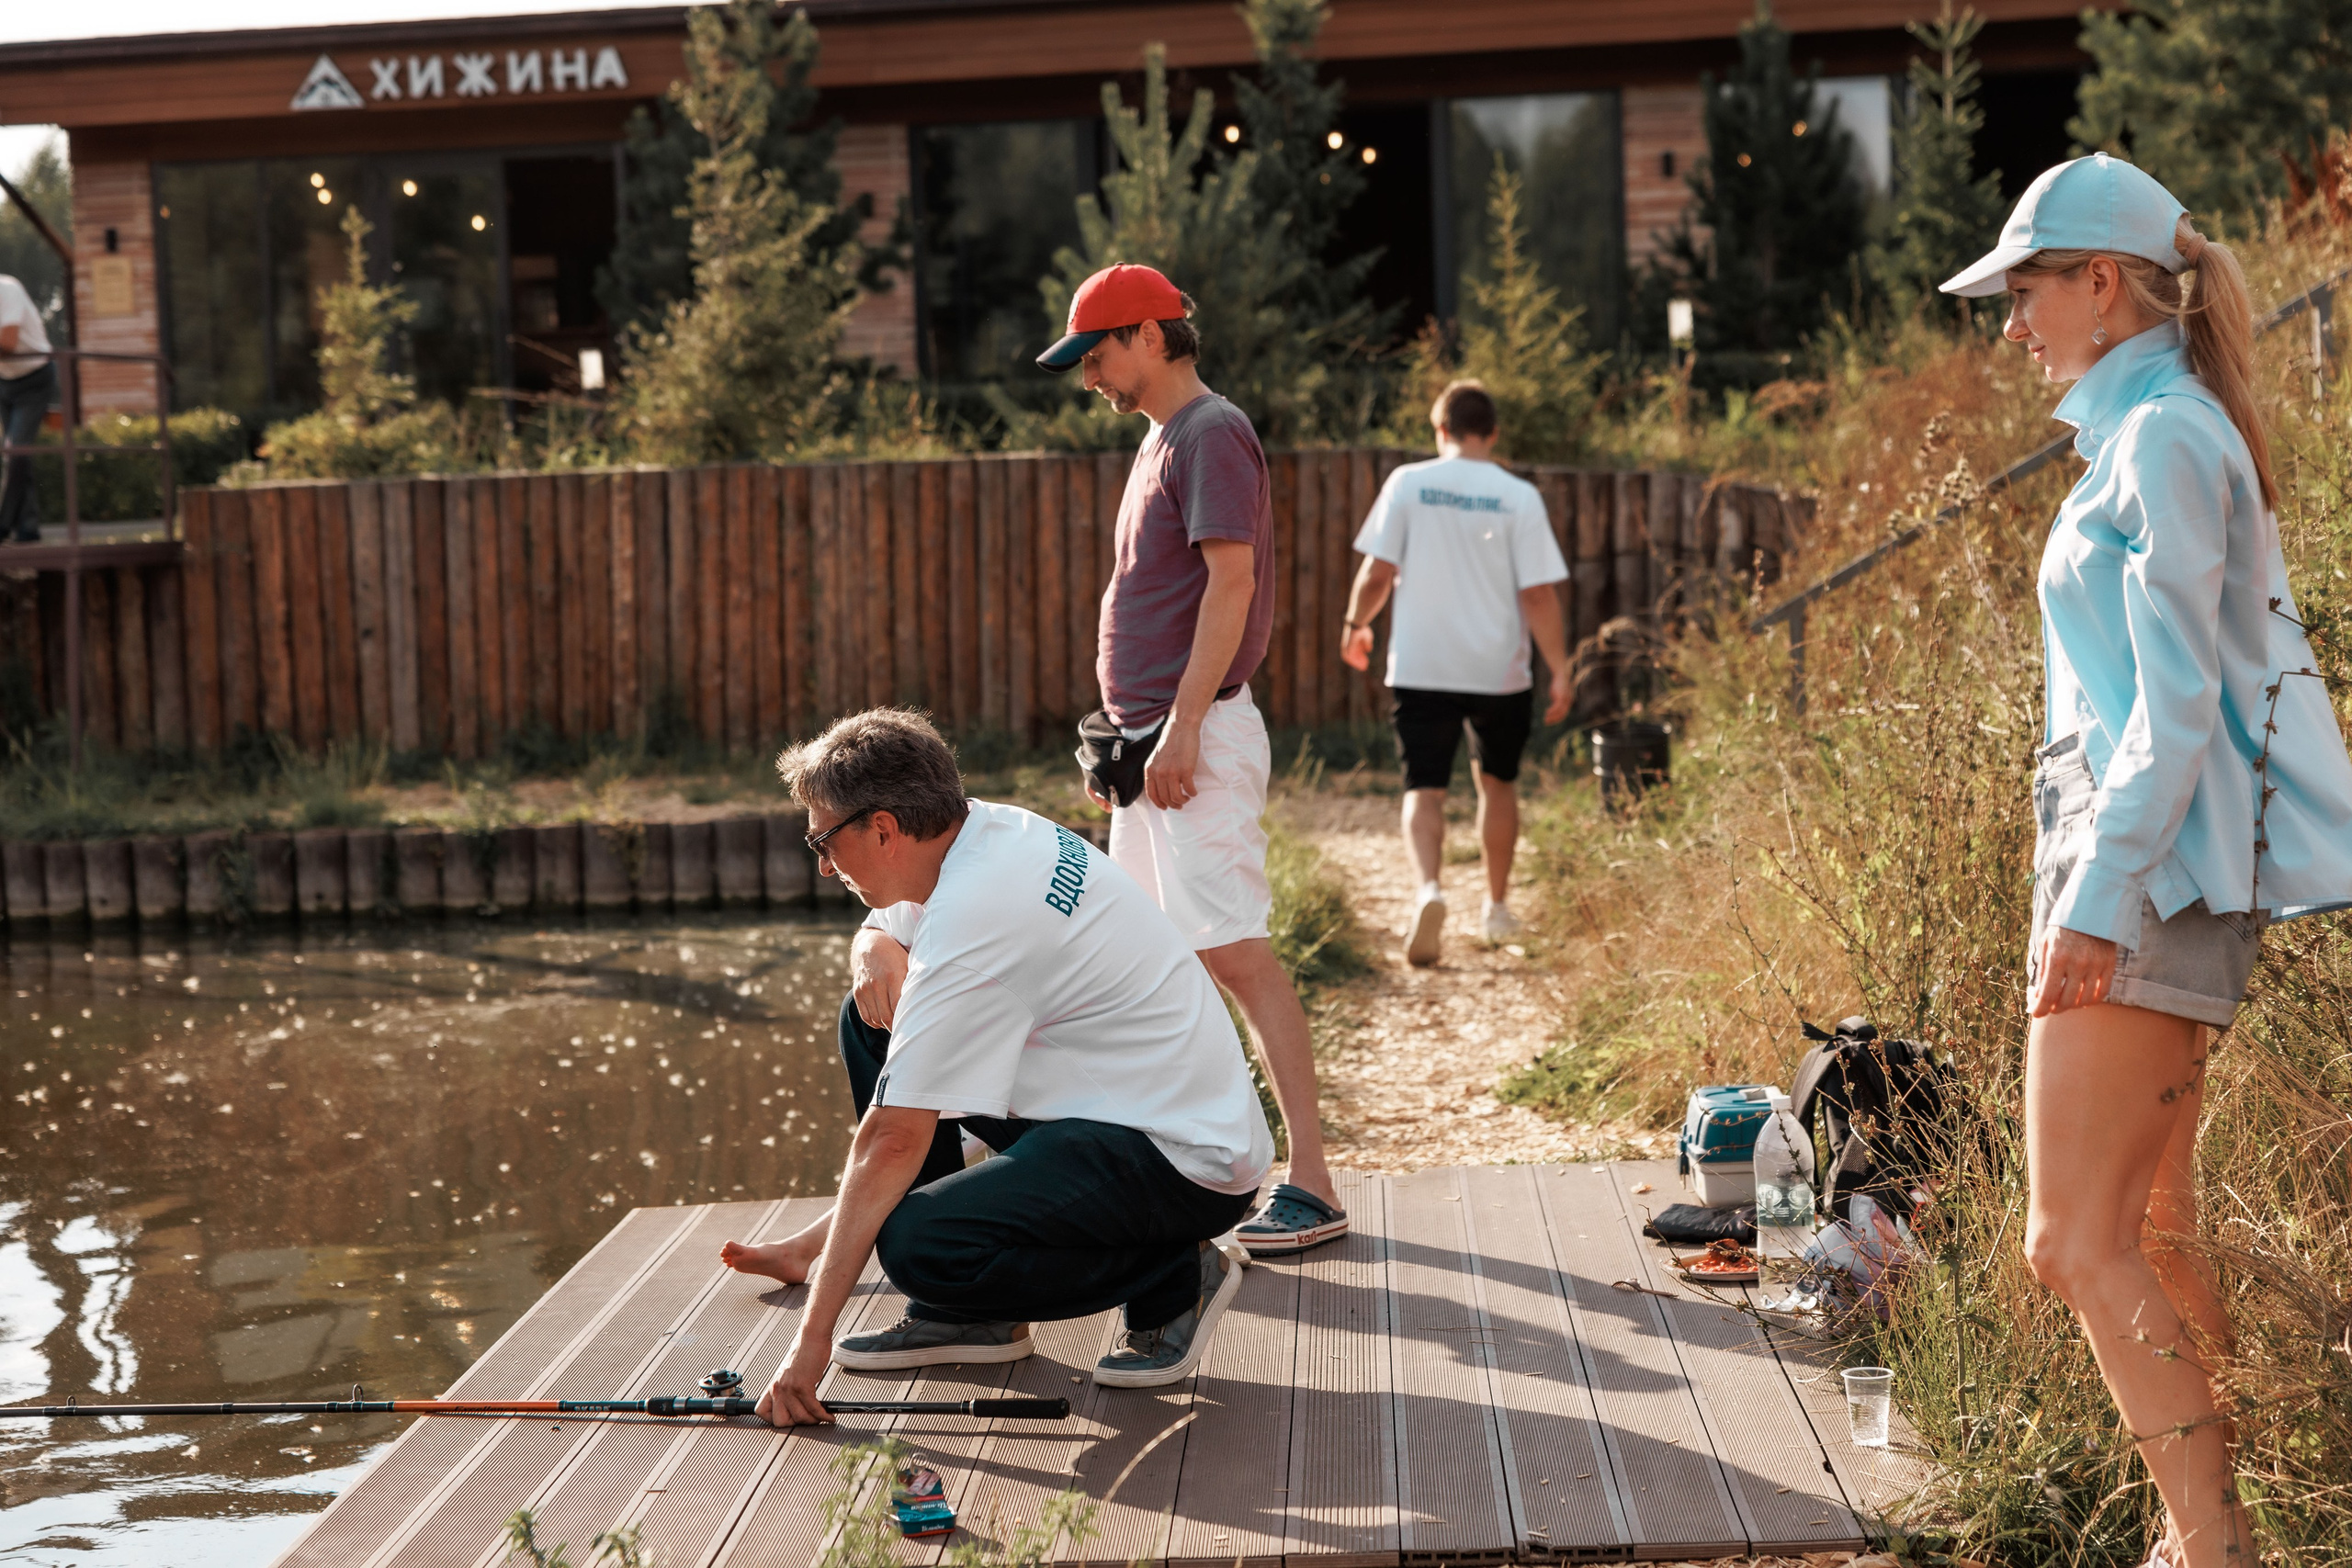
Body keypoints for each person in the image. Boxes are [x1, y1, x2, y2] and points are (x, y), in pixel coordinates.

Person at [1941, 153, 2352, 1568]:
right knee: (2154, 1226)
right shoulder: (2146, 432)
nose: (2011, 324)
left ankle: (2211, 1546)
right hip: (2152, 875)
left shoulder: (2166, 438)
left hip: (2152, 884)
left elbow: (2177, 713)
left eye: (2025, 290)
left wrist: (2092, 900)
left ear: (2102, 284)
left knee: (2072, 1237)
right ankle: (2206, 1539)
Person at [720, 709, 1274, 1423]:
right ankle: (972, 1315)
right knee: (870, 1020)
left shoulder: (975, 921)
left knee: (916, 1244)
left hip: (1182, 1157)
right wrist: (873, 944)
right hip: (1132, 1100)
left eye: (824, 840)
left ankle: (1178, 1272)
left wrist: (809, 1343)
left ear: (883, 829)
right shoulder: (986, 829)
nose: (823, 864)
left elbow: (892, 1141)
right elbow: (895, 931)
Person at [1011, 260, 1344, 1255]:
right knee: (1155, 964)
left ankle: (1314, 1184)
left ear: (1152, 334)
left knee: (1235, 951)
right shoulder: (1163, 437)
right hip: (1149, 743)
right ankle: (1189, 1168)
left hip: (1191, 737)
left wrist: (1184, 728)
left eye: (1098, 354)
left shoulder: (1210, 432)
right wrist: (1123, 737)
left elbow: (1230, 586)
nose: (1089, 378)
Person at [1339, 379, 1570, 965]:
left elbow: (1377, 573)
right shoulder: (1517, 496)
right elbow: (1539, 595)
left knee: (1424, 787)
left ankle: (1429, 890)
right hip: (1499, 672)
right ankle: (1495, 908)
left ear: (1439, 430)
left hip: (1422, 665)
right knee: (1498, 783)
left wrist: (1355, 624)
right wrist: (1562, 669)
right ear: (1492, 433)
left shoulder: (1409, 484)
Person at [0, 270, 56, 545]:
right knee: (19, 453)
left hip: (35, 377)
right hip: (5, 380)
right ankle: (29, 527)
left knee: (15, 450)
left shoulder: (7, 289)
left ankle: (3, 524)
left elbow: (8, 343)